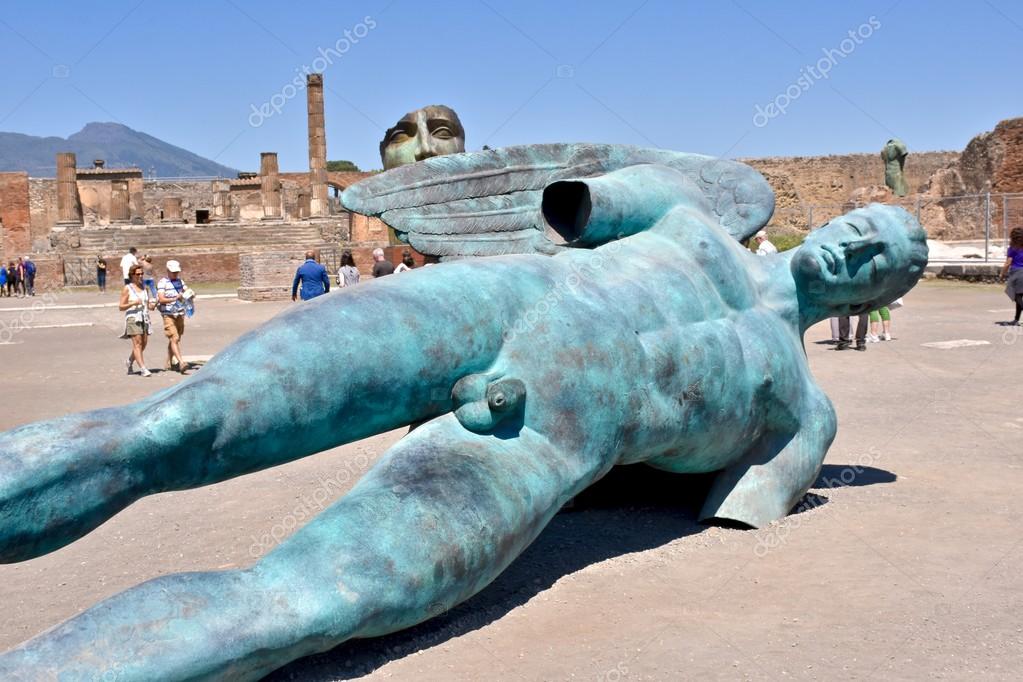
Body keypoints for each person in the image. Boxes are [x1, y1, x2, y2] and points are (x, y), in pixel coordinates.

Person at [156, 260, 191, 373]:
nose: (175, 274)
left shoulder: (180, 282)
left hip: (180, 313)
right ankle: (181, 362)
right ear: (168, 271)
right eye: (173, 272)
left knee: (175, 339)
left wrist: (190, 294)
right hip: (168, 314)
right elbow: (161, 299)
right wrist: (175, 298)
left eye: (177, 272)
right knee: (174, 338)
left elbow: (187, 291)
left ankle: (169, 362)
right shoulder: (162, 283)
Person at [119, 264, 153, 377]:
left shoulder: (144, 288)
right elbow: (121, 306)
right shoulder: (127, 288)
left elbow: (147, 305)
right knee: (137, 344)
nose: (140, 276)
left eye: (142, 273)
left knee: (143, 344)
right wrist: (133, 303)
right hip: (133, 318)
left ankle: (129, 361)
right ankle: (143, 368)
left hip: (144, 317)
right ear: (132, 275)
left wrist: (152, 305)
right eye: (138, 274)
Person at [1000, 227, 1023, 326]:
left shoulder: (1012, 248)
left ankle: (1016, 320)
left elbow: (1008, 263)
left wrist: (1002, 273)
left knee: (1016, 296)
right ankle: (1016, 320)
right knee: (1019, 297)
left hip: (1016, 273)